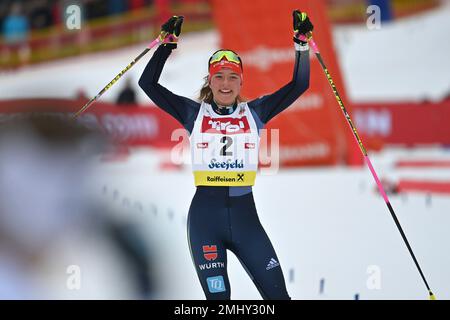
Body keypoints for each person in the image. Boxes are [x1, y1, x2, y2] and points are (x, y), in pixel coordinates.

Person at [138, 12, 313, 300]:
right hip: (206, 221)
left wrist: (302, 45)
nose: (226, 83)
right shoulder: (193, 113)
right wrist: (165, 47)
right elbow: (148, 85)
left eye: (233, 77)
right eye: (219, 76)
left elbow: (299, 85)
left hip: (247, 221)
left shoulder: (256, 111)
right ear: (210, 81)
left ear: (241, 82)